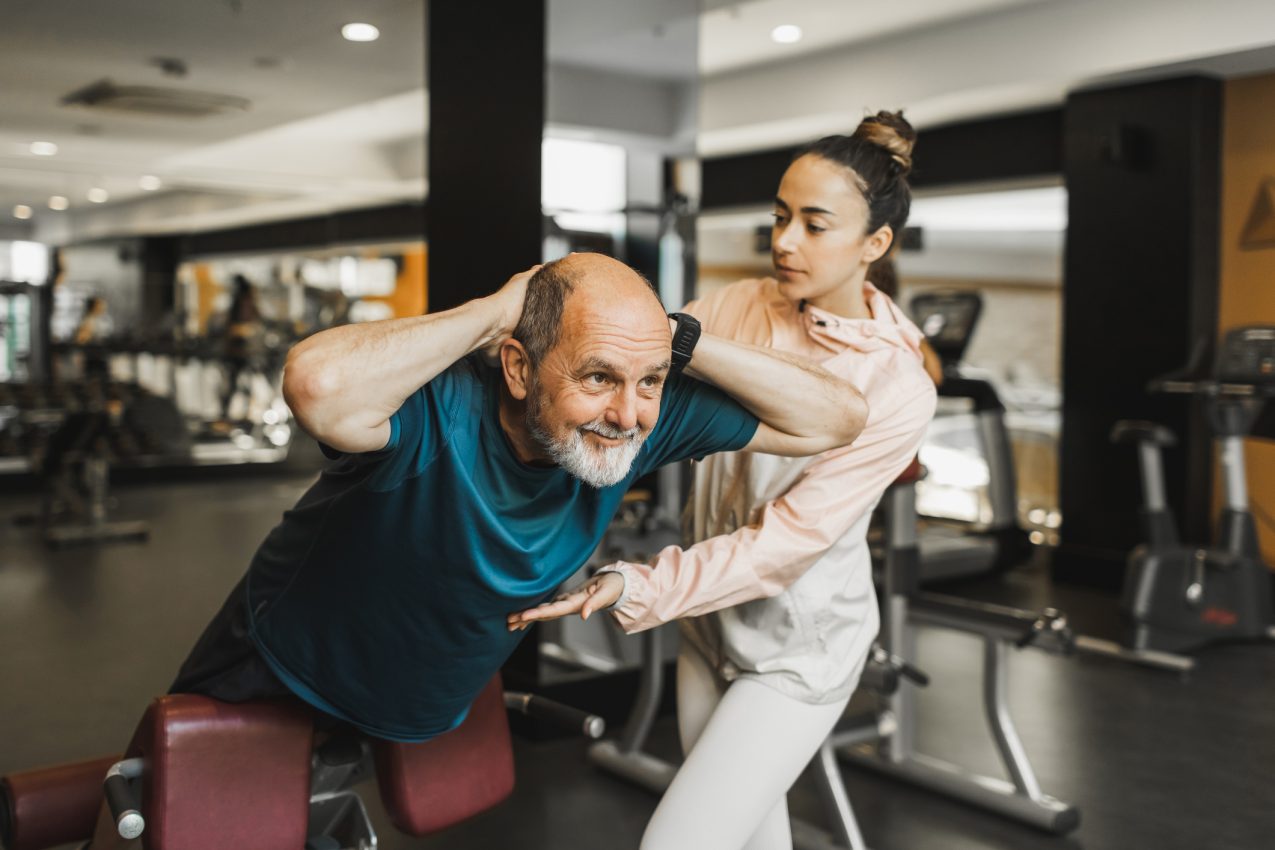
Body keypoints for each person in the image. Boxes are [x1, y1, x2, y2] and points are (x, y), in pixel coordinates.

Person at [509, 113, 937, 850]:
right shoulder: (740, 305)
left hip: (797, 649)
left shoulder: (896, 383)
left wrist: (640, 584)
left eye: (813, 223)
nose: (784, 240)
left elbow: (786, 543)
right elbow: (636, 383)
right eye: (778, 216)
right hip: (708, 630)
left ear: (874, 244)